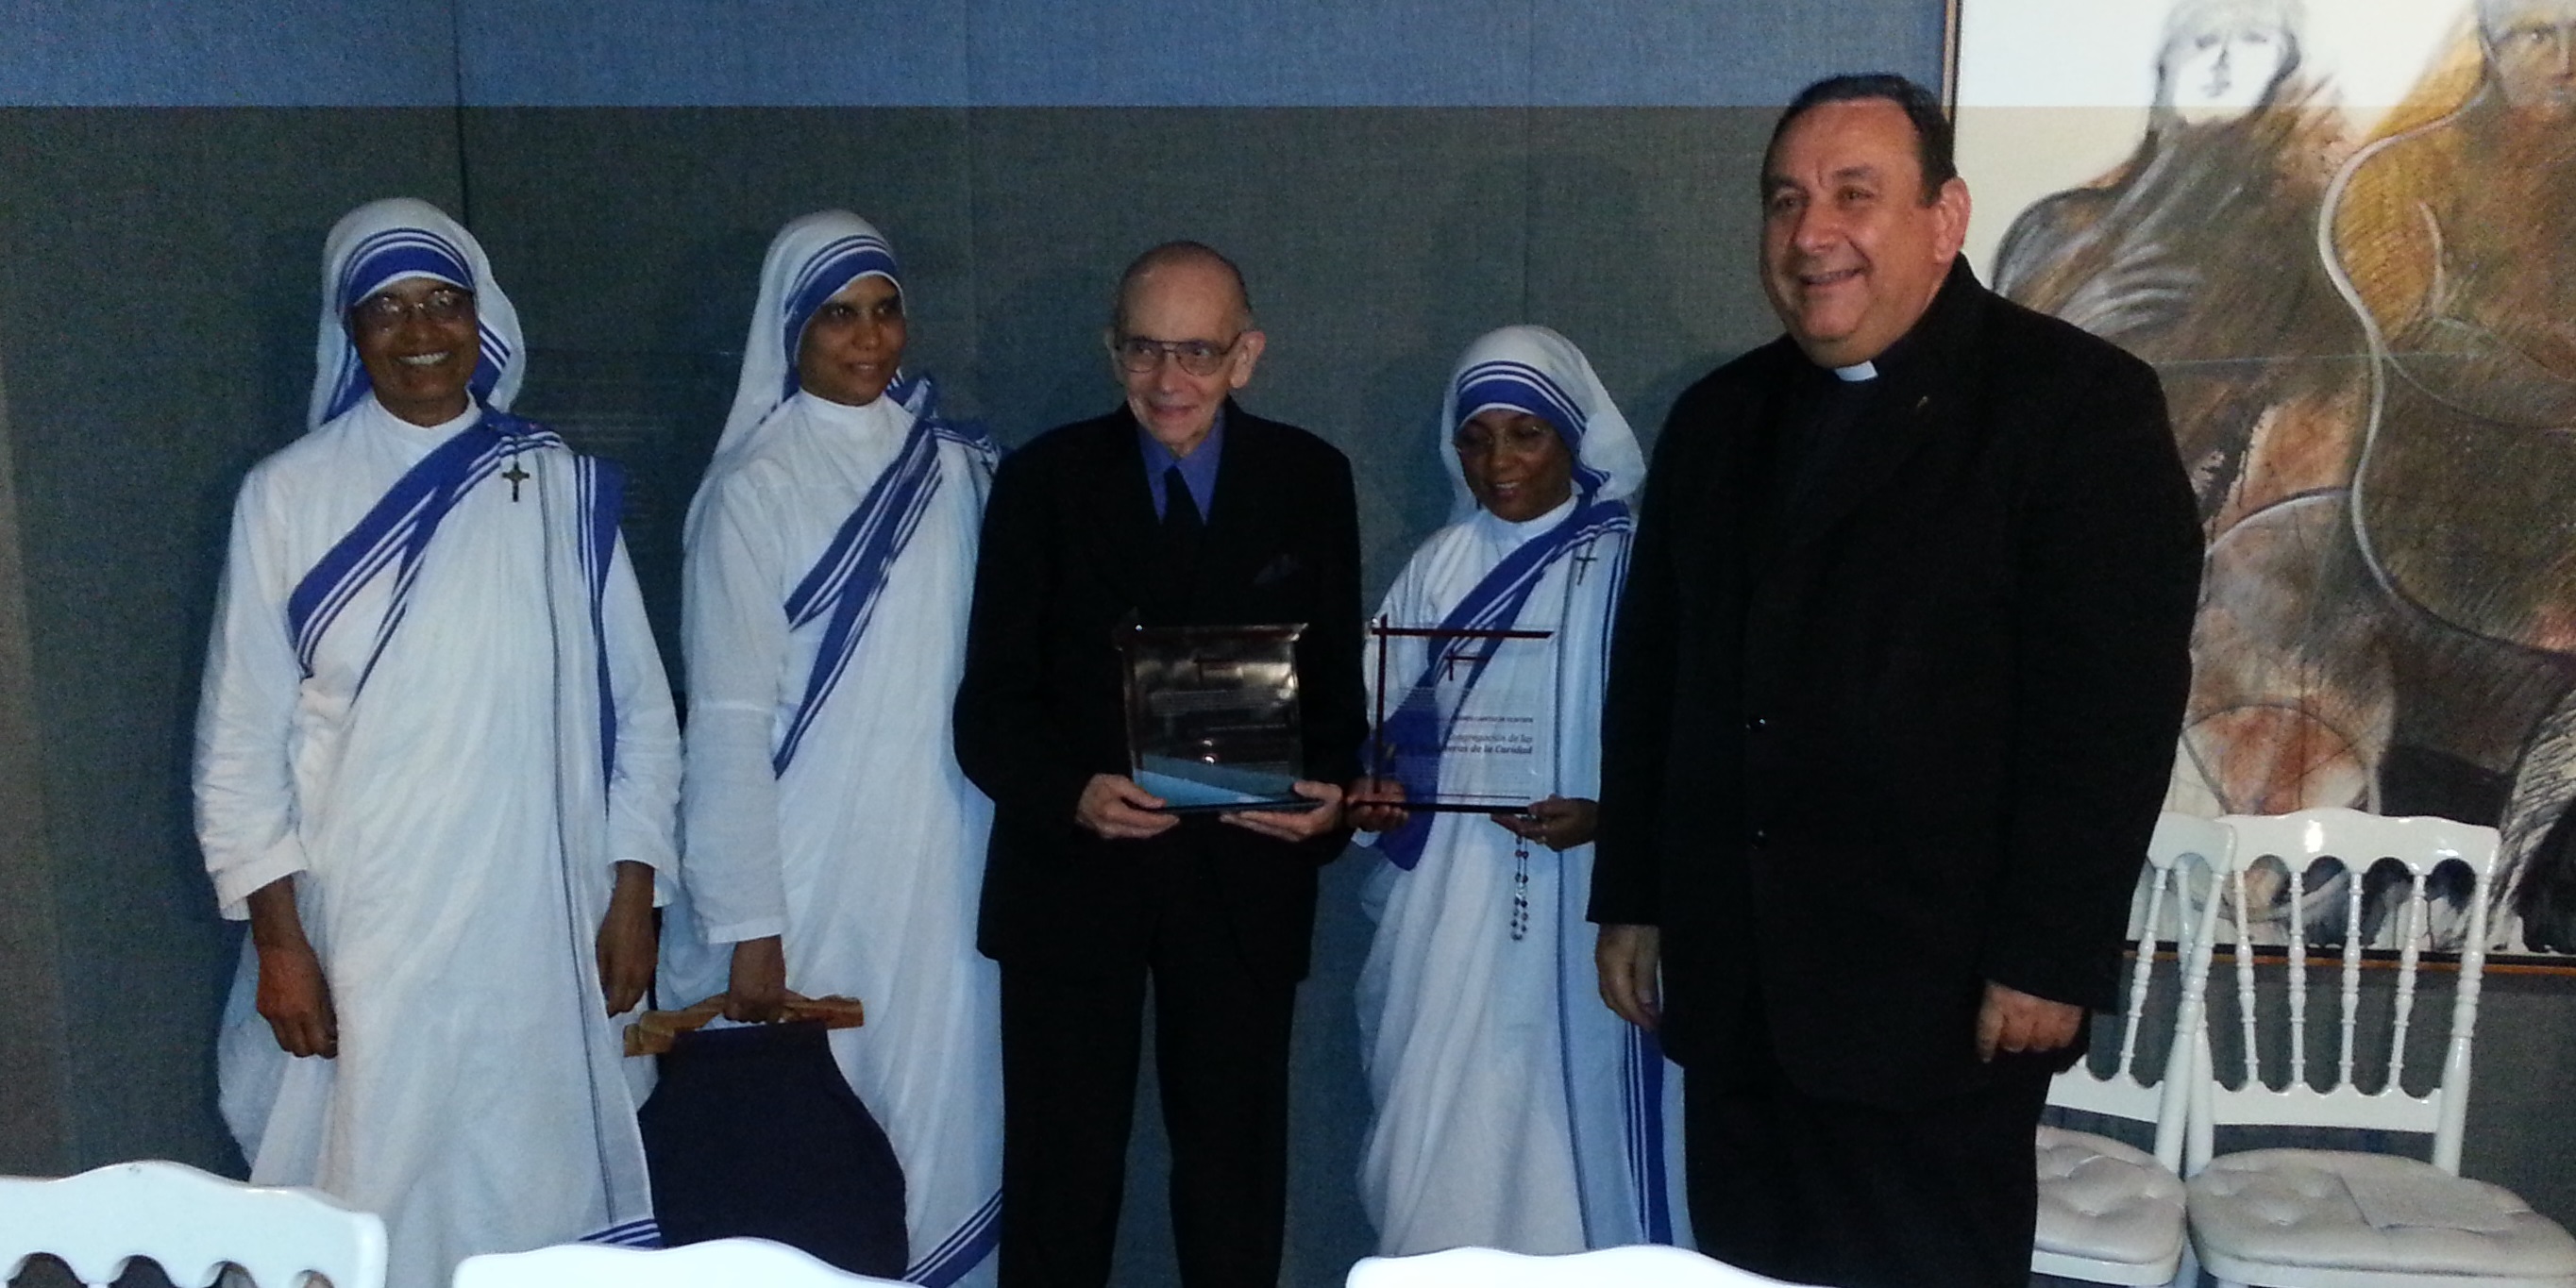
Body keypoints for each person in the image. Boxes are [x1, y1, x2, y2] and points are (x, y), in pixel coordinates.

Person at [1589, 76, 2201, 1288]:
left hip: (1938, 1000)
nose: (1810, 233)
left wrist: (2045, 953)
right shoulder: (1716, 420)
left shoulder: (2074, 408)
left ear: (1944, 214)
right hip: (1736, 988)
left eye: (1853, 195)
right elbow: (1655, 675)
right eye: (1784, 201)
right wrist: (1636, 893)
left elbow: (2110, 712)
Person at [195, 196, 681, 1288]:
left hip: (537, 924)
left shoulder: (557, 485)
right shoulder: (285, 495)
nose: (421, 330)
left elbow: (643, 714)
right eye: (389, 308)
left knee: (534, 1192)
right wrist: (280, 942)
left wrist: (631, 892)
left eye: (443, 301)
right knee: (368, 1195)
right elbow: (238, 744)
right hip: (370, 929)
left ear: (481, 316)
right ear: (352, 331)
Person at [953, 241, 1366, 1288]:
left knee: (1234, 1178)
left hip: (1243, 875)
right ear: (1110, 351)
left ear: (1247, 355)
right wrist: (1069, 794)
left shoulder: (1310, 479)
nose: (1168, 381)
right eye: (1143, 351)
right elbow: (988, 708)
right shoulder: (1040, 482)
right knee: (1058, 1181)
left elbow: (1332, 700)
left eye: (1196, 351)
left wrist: (1331, 806)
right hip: (1072, 881)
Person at [660, 210, 1002, 1285]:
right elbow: (723, 724)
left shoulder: (959, 472)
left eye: (885, 311)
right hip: (807, 878)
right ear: (790, 334)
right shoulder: (751, 491)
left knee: (944, 1124)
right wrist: (752, 930)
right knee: (815, 1155)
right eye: (838, 317)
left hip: (944, 865)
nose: (868, 340)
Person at [1345, 325, 1689, 1256]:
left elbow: (1678, 737)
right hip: (1446, 898)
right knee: (1433, 1109)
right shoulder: (1439, 563)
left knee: (1558, 1114)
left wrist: (1611, 821)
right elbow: (1377, 713)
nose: (1496, 461)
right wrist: (1374, 785)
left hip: (1583, 896)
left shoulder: (1625, 564)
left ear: (1571, 436)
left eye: (1523, 433)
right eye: (1474, 437)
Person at [2322, 0, 2576, 945]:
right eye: (2535, 35)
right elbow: (2419, 333)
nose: (2564, 59)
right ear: (2484, 48)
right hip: (2442, 535)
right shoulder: (2402, 171)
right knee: (2440, 780)